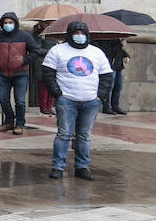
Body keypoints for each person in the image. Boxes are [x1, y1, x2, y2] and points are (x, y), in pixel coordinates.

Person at [42, 20, 113, 181]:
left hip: (90, 101)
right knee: (64, 134)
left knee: (84, 136)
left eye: (82, 33)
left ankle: (82, 167)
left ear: (87, 35)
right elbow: (47, 72)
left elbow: (107, 76)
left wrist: (100, 95)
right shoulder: (57, 51)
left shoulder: (97, 53)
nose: (79, 36)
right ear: (70, 34)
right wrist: (57, 92)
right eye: (76, 32)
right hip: (66, 100)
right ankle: (58, 167)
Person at [0, 11, 42, 134]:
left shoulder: (25, 36)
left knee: (20, 101)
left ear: (15, 23)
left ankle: (20, 124)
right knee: (3, 99)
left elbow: (35, 51)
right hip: (3, 73)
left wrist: (24, 60)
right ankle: (9, 121)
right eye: (5, 23)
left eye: (10, 22)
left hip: (20, 74)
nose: (7, 25)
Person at [99, 39, 130, 115]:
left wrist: (126, 55)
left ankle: (115, 106)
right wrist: (120, 44)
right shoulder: (106, 40)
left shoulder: (117, 41)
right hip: (110, 67)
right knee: (109, 87)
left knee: (118, 87)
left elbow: (119, 51)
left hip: (118, 66)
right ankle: (106, 107)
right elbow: (109, 52)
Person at [32, 21, 56, 116]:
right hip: (42, 62)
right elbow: (37, 49)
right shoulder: (37, 34)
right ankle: (43, 106)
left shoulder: (54, 33)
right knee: (44, 86)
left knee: (53, 85)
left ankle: (50, 106)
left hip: (53, 62)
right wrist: (51, 51)